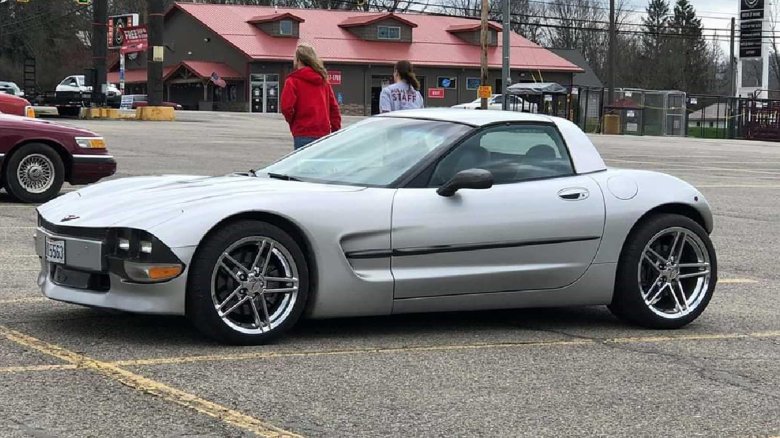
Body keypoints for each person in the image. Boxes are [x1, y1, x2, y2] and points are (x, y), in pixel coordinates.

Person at [281, 43, 342, 150]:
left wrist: (294, 122)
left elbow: (286, 107)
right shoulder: (323, 81)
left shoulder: (292, 81)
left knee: (303, 165)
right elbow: (334, 108)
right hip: (323, 133)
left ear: (298, 59)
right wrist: (335, 130)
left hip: (302, 132)